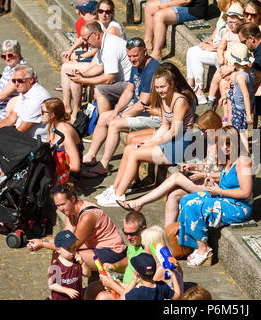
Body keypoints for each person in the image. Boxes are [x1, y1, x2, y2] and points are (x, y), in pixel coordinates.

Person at [95, 65, 195, 207]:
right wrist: (151, 140)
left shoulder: (180, 101)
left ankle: (119, 196)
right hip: (170, 140)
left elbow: (175, 132)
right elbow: (164, 126)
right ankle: (115, 189)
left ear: (172, 84)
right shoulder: (164, 98)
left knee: (135, 153)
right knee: (130, 148)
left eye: (163, 87)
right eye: (157, 87)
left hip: (180, 145)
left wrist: (152, 143)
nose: (159, 90)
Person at [116, 110, 223, 227]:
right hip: (206, 182)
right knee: (173, 195)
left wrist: (203, 175)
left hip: (215, 188)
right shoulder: (211, 142)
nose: (202, 134)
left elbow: (226, 174)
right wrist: (194, 166)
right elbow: (210, 166)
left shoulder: (224, 145)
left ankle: (138, 203)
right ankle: (169, 234)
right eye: (201, 130)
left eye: (204, 130)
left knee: (176, 177)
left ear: (213, 126)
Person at [81, 38, 160, 177]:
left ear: (145, 52)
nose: (132, 59)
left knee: (115, 124)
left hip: (153, 114)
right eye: (129, 56)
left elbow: (142, 103)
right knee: (105, 116)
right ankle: (91, 155)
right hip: (138, 107)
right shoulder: (136, 66)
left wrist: (121, 116)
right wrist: (116, 111)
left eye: (135, 55)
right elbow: (129, 91)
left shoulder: (152, 69)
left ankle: (104, 165)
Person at [178, 125, 254, 267]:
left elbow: (246, 192)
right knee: (185, 200)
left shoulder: (243, 161)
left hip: (237, 206)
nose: (225, 147)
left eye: (229, 143)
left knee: (193, 206)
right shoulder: (228, 158)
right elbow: (226, 175)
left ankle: (204, 249)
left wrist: (219, 192)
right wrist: (207, 176)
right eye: (222, 143)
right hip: (224, 197)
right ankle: (196, 243)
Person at [27, 182, 127, 270]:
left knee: (66, 257)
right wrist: (40, 241)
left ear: (73, 198)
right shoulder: (70, 212)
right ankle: (56, 286)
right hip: (96, 248)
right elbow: (63, 239)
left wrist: (43, 244)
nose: (61, 209)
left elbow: (72, 245)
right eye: (57, 206)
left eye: (63, 204)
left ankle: (65, 286)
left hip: (112, 252)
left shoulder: (88, 216)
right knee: (59, 253)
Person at [0, 64, 51, 180]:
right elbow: (13, 117)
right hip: (27, 137)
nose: (16, 84)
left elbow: (21, 131)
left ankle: (3, 175)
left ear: (31, 80)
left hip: (38, 144)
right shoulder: (25, 92)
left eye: (20, 81)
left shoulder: (36, 98)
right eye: (14, 81)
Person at [68, 21, 132, 115]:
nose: (85, 43)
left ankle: (103, 121)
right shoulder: (102, 43)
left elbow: (108, 80)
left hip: (129, 83)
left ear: (96, 34)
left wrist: (83, 80)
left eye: (86, 39)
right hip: (122, 81)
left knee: (100, 89)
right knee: (95, 84)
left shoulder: (110, 47)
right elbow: (99, 66)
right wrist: (82, 75)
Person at [185, 0, 242, 104]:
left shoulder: (235, 9)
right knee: (191, 51)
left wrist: (212, 47)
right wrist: (210, 39)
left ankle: (200, 91)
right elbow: (218, 26)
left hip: (223, 52)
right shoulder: (225, 6)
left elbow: (230, 39)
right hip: (216, 46)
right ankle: (190, 86)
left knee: (196, 55)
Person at [85, 210, 147, 300]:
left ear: (143, 229)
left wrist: (113, 284)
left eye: (132, 234)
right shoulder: (134, 243)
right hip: (123, 284)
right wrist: (114, 266)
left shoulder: (147, 250)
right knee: (92, 288)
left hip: (132, 291)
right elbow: (128, 259)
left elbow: (142, 288)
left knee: (102, 297)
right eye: (125, 233)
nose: (128, 238)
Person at [204, 3, 246, 115]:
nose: (230, 25)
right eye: (228, 22)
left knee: (225, 84)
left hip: (237, 64)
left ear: (241, 22)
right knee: (216, 77)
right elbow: (221, 48)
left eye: (233, 22)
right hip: (226, 62)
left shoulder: (242, 35)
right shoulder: (227, 34)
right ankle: (211, 98)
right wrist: (220, 58)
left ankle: (225, 108)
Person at [144, 0, 208, 61]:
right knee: (149, 6)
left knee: (159, 15)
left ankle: (156, 53)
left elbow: (186, 1)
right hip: (182, 3)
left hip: (193, 9)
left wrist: (167, 4)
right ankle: (147, 44)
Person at [41, 98, 83, 183]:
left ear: (52, 115)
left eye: (43, 112)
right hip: (55, 167)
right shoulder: (52, 125)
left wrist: (51, 165)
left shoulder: (65, 134)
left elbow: (75, 166)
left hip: (67, 175)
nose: (40, 114)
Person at [47, 230, 91, 300]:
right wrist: (67, 290)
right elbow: (51, 284)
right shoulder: (56, 266)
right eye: (68, 249)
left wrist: (83, 263)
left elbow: (87, 274)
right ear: (58, 250)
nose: (72, 251)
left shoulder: (77, 261)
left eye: (74, 247)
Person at [140, 225, 184, 293]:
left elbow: (142, 291)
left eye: (143, 246)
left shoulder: (162, 269)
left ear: (151, 248)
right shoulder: (172, 261)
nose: (142, 249)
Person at [225, 43, 255, 132]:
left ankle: (238, 142)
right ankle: (228, 121)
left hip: (241, 107)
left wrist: (248, 115)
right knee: (227, 92)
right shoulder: (250, 70)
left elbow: (246, 95)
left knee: (239, 131)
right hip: (246, 99)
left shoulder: (240, 77)